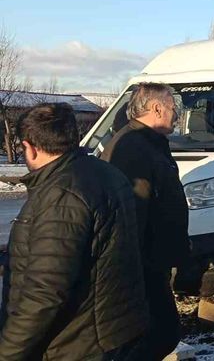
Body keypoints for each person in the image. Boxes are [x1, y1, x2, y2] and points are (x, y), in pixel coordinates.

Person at [0, 103, 146, 360]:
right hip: (109, 330)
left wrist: (9, 352)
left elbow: (45, 291)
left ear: (30, 148)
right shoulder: (105, 173)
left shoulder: (62, 193)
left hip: (75, 342)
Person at [101, 83, 190, 360]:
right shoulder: (133, 147)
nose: (176, 115)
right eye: (174, 109)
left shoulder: (148, 142)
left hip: (152, 261)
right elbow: (131, 212)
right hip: (140, 265)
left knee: (159, 332)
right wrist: (132, 268)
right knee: (161, 332)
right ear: (156, 108)